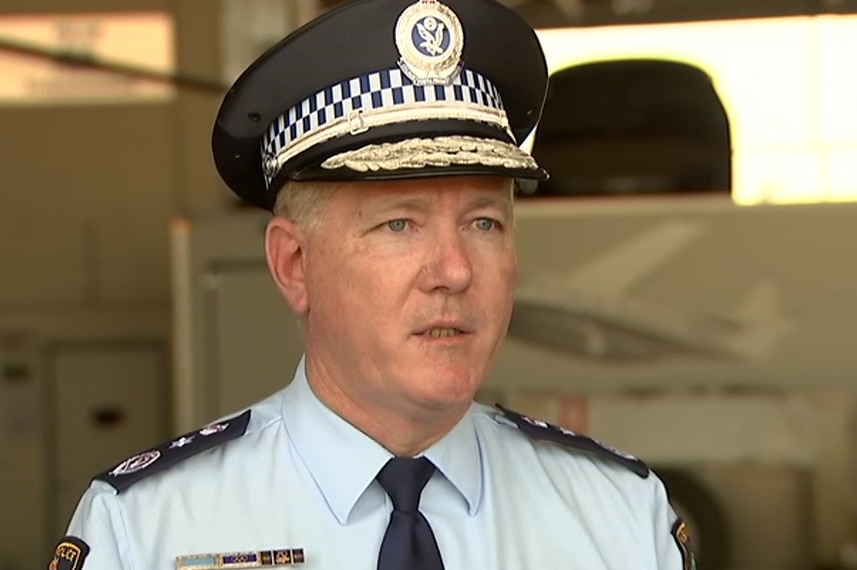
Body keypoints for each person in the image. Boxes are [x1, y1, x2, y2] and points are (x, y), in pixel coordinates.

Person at [50, 0, 695, 568]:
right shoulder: (148, 532)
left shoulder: (619, 520)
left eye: (484, 222)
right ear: (293, 266)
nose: (455, 270)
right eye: (398, 224)